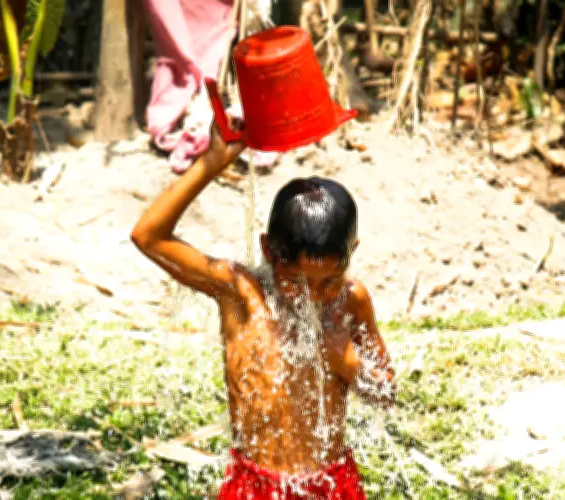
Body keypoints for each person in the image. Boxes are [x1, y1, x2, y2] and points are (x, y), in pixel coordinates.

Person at [130, 121, 396, 499]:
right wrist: (212, 162)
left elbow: (386, 392)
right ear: (269, 251)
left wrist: (348, 363)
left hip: (330, 483)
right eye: (297, 281)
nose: (315, 296)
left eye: (329, 281)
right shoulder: (239, 293)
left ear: (351, 253)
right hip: (255, 485)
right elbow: (148, 236)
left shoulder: (351, 301)